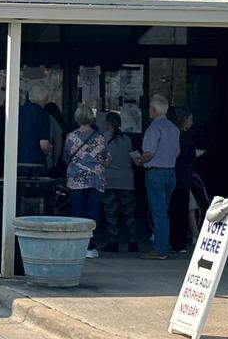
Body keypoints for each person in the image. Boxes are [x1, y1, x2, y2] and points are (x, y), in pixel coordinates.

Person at [135, 95, 180, 259]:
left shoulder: (154, 128)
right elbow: (177, 152)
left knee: (158, 212)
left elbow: (149, 153)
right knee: (164, 211)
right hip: (171, 172)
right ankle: (163, 243)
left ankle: (160, 248)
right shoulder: (174, 128)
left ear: (153, 110)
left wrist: (139, 160)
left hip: (156, 173)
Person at [64, 104, 110, 259]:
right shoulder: (100, 138)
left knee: (77, 212)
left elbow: (65, 157)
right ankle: (91, 246)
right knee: (93, 213)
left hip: (76, 178)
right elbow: (107, 159)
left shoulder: (71, 137)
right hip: (96, 179)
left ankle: (78, 245)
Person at [101, 111, 138, 253]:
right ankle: (133, 241)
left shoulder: (103, 138)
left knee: (111, 214)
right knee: (128, 213)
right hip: (126, 180)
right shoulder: (127, 139)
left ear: (108, 124)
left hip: (110, 180)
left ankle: (113, 241)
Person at [168, 109, 199, 254]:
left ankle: (175, 241)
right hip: (183, 176)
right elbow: (190, 157)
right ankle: (179, 242)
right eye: (190, 118)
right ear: (184, 119)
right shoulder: (184, 136)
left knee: (175, 209)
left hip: (175, 175)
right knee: (182, 209)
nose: (192, 122)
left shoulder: (175, 135)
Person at [17, 87, 53, 170]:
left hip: (17, 160)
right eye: (46, 99)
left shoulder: (19, 111)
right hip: (36, 163)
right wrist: (49, 149)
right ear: (42, 99)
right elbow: (43, 144)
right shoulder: (42, 115)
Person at [44, 101, 68, 175]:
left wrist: (55, 161)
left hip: (53, 157)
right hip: (61, 157)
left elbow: (58, 141)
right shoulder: (61, 123)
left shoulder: (49, 120)